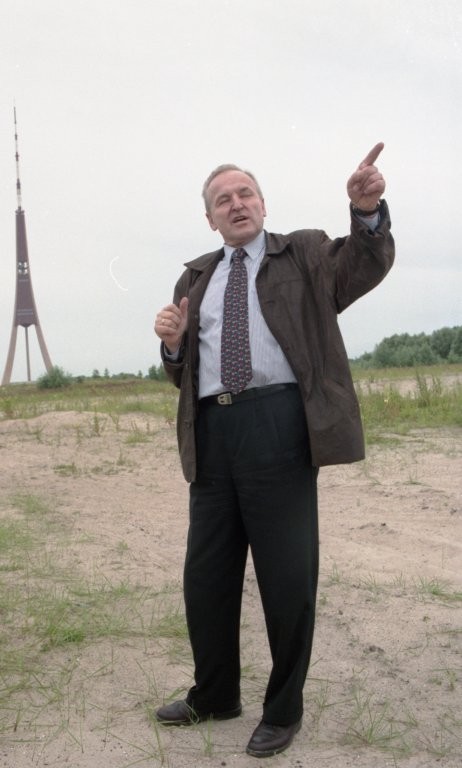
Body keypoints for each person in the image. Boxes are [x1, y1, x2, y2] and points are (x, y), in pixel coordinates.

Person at [153, 144, 394, 758]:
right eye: (222, 200)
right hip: (212, 433)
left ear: (262, 203)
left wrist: (366, 213)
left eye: (244, 194)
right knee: (205, 577)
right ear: (210, 219)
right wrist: (174, 347)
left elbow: (362, 268)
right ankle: (215, 694)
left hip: (280, 425)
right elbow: (183, 373)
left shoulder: (305, 253)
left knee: (287, 578)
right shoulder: (194, 278)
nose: (235, 204)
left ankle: (283, 710)